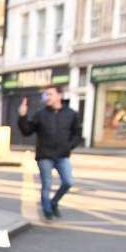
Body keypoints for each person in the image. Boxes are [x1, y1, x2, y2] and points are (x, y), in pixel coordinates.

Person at [18, 86, 82, 221]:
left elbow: (77, 134)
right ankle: (47, 211)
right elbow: (27, 131)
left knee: (68, 182)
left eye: (50, 94)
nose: (48, 97)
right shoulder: (40, 114)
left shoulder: (71, 114)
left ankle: (54, 202)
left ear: (59, 96)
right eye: (47, 95)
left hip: (62, 155)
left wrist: (69, 146)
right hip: (45, 155)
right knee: (46, 184)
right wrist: (23, 116)